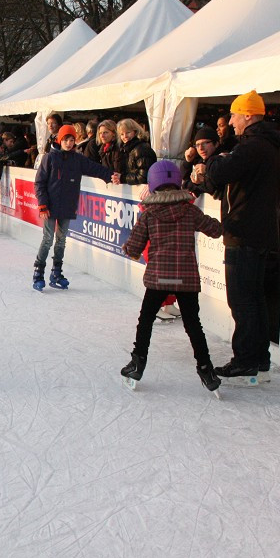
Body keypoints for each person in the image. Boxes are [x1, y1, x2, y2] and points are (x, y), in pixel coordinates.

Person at [194, 90, 280, 384]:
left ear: (248, 114)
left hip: (244, 231)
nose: (230, 122)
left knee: (242, 299)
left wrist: (211, 163)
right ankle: (258, 357)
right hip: (256, 231)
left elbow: (221, 172)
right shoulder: (265, 145)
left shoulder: (253, 146)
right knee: (254, 298)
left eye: (233, 115)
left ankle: (246, 358)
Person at [120, 160, 224, 392]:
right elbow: (215, 230)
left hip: (158, 278)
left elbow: (134, 248)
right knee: (193, 324)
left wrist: (127, 249)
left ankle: (138, 362)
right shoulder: (190, 211)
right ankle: (206, 369)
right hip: (186, 278)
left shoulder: (149, 214)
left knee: (146, 321)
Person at [32, 124, 113, 291]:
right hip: (50, 206)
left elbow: (95, 168)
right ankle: (38, 272)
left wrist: (111, 176)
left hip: (67, 205)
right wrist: (42, 204)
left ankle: (56, 272)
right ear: (59, 140)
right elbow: (39, 182)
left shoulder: (78, 159)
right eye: (65, 140)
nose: (69, 143)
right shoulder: (50, 158)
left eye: (71, 140)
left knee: (61, 241)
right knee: (47, 239)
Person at [110, 119, 156, 186]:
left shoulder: (141, 149)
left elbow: (143, 176)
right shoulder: (127, 149)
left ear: (135, 132)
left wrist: (122, 178)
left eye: (128, 132)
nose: (125, 136)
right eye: (122, 134)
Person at [181, 127, 218, 196]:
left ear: (216, 144)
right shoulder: (198, 160)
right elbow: (183, 178)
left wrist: (201, 182)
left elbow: (214, 187)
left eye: (205, 143)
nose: (201, 148)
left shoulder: (221, 161)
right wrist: (188, 161)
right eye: (197, 145)